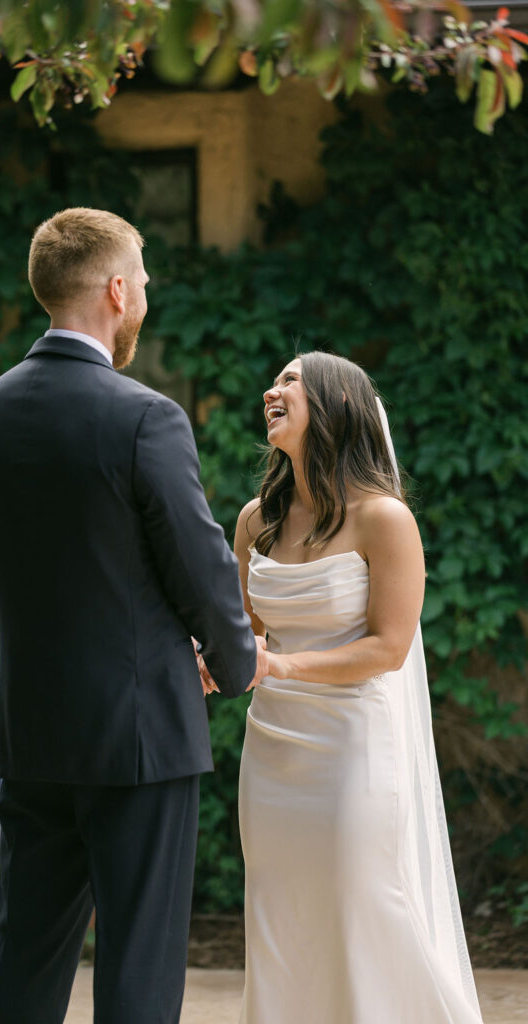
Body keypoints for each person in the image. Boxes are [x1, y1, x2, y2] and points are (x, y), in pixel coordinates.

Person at [0, 206, 268, 1024]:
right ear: (118, 291)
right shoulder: (143, 417)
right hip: (139, 734)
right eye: (146, 285)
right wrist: (235, 664)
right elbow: (199, 567)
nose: (147, 299)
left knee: (25, 948)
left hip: (29, 732)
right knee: (139, 958)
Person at [232, 352, 484, 1023]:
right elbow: (245, 634)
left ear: (336, 405)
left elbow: (387, 647)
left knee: (360, 902)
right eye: (274, 379)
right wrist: (212, 663)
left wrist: (279, 667)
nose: (271, 389)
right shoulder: (254, 520)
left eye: (290, 381)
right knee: (279, 910)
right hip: (272, 751)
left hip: (352, 747)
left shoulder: (383, 520)